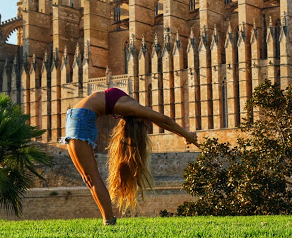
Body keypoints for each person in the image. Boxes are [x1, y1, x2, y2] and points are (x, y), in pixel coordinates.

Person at [61, 87, 199, 226]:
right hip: (78, 119)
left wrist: (184, 135)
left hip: (79, 119)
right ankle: (109, 221)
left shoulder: (131, 108)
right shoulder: (132, 107)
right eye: (147, 123)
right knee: (89, 178)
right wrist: (186, 134)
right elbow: (163, 119)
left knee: (91, 178)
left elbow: (160, 120)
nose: (149, 122)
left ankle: (109, 221)